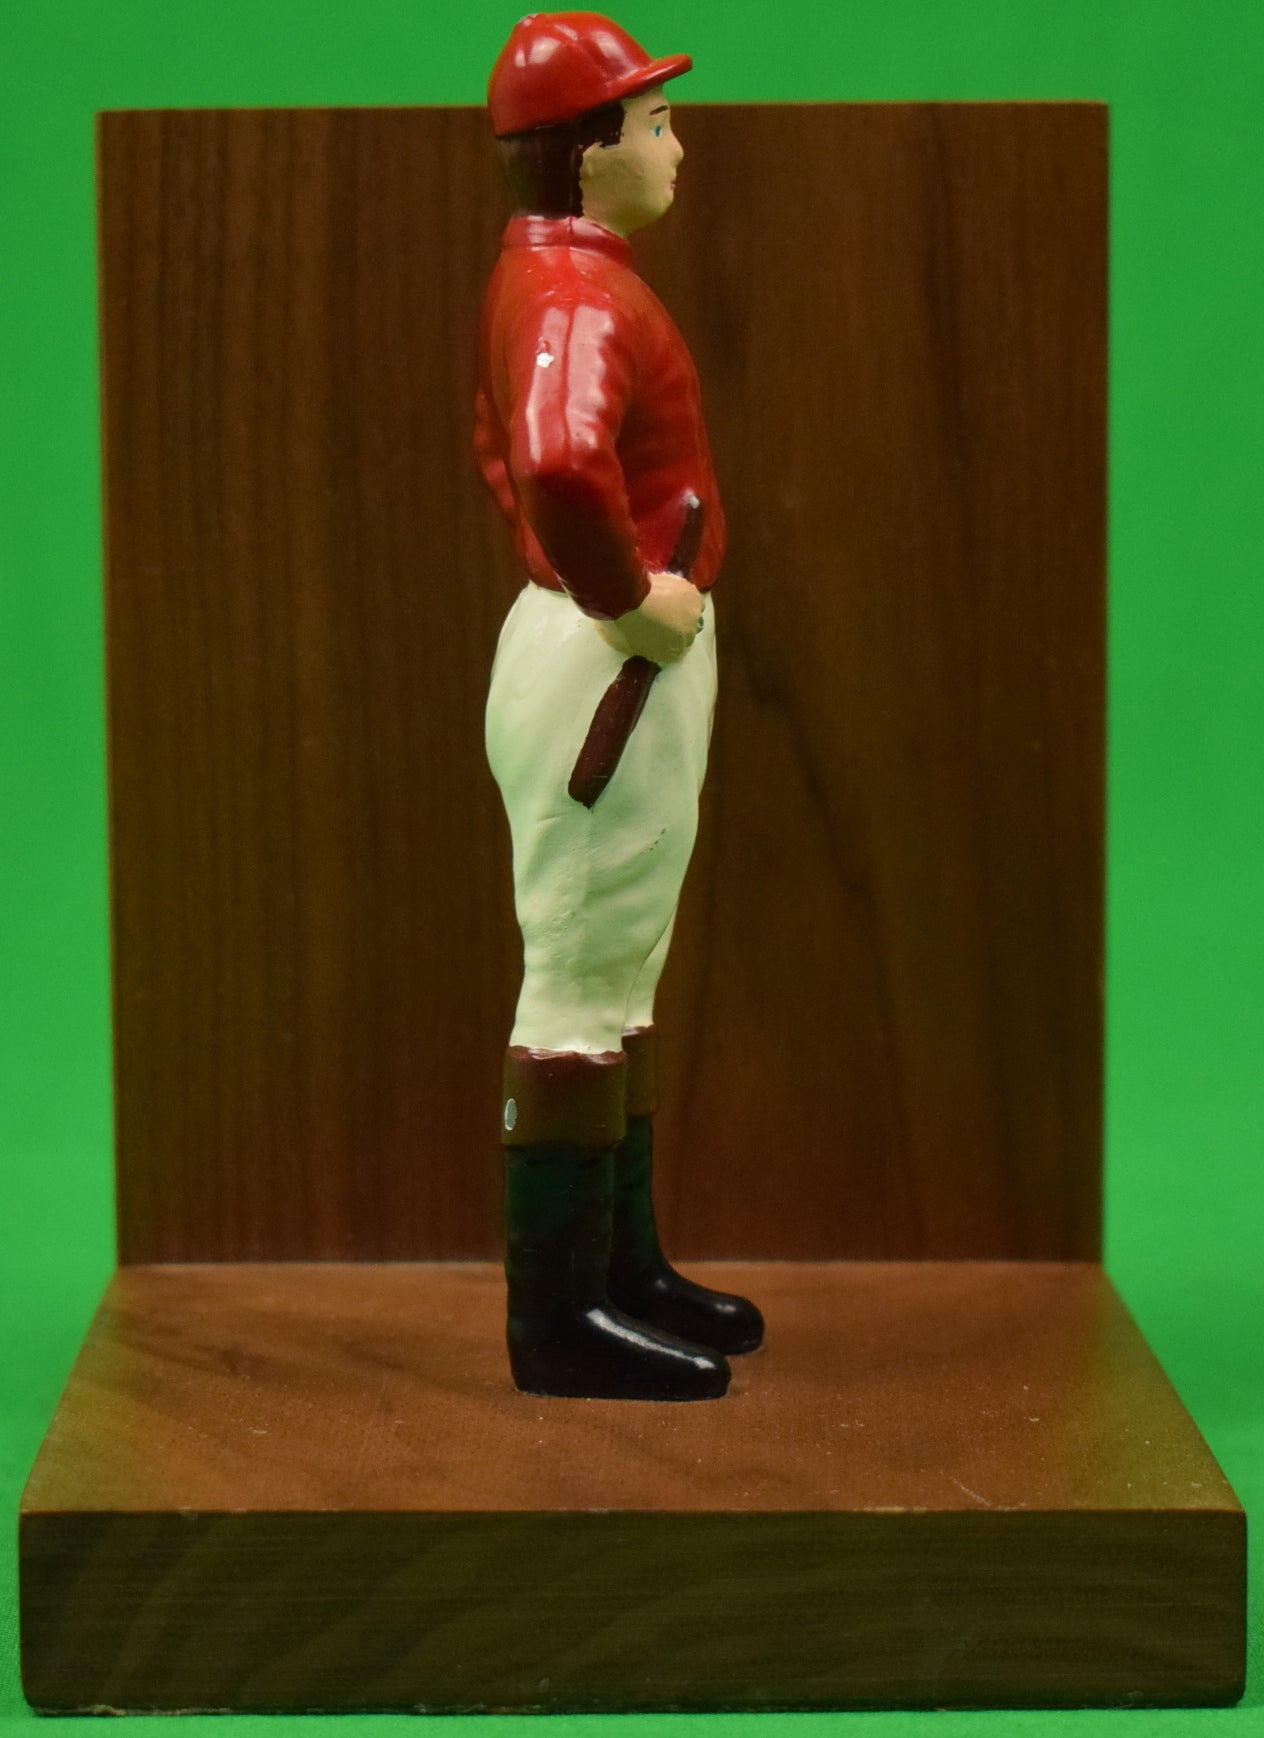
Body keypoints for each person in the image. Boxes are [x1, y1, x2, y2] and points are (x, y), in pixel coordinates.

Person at [476, 12, 763, 1400]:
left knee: (621, 975)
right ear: (588, 154)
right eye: (653, 123)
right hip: (613, 666)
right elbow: (553, 458)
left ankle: (620, 1269)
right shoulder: (577, 294)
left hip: (624, 660)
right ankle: (558, 1316)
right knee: (580, 987)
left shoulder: (565, 276)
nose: (675, 144)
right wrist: (630, 598)